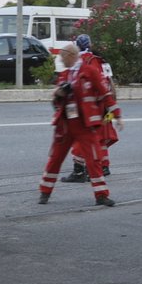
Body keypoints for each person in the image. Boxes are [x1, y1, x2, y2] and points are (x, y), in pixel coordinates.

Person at [38, 41, 120, 207]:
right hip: (66, 124)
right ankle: (45, 192)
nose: (61, 61)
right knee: (55, 158)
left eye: (63, 58)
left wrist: (116, 115)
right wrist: (58, 93)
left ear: (71, 56)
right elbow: (56, 100)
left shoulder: (90, 71)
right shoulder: (65, 75)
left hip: (85, 125)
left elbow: (106, 94)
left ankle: (101, 195)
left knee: (93, 159)